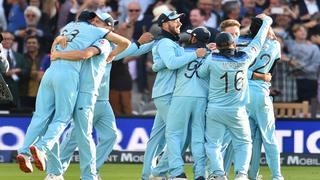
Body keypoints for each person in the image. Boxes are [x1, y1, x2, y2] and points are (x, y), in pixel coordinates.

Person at [16, 11, 130, 180]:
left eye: (109, 24)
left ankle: (42, 160)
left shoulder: (96, 39)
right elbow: (85, 53)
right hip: (78, 88)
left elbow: (84, 52)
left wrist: (58, 50)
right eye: (104, 22)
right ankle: (60, 170)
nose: (109, 27)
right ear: (95, 22)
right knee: (71, 130)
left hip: (81, 89)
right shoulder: (96, 36)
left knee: (51, 122)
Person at [197, 14, 272, 180]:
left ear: (218, 45)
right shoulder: (244, 58)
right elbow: (258, 42)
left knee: (213, 144)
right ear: (233, 44)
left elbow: (201, 74)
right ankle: (241, 174)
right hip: (237, 110)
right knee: (244, 143)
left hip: (215, 109)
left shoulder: (212, 58)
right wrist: (267, 22)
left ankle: (218, 174)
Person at [144, 10, 207, 180]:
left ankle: (153, 173)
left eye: (179, 20)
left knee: (163, 135)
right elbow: (172, 63)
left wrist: (158, 65)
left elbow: (167, 63)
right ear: (164, 23)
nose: (179, 23)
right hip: (167, 93)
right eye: (174, 20)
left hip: (172, 93)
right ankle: (174, 172)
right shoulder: (165, 42)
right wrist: (195, 54)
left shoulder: (173, 44)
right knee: (179, 135)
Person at [246, 17, 284, 180]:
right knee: (269, 137)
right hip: (261, 93)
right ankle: (277, 176)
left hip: (245, 94)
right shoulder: (275, 45)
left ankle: (252, 175)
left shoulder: (245, 44)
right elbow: (272, 70)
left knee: (252, 139)